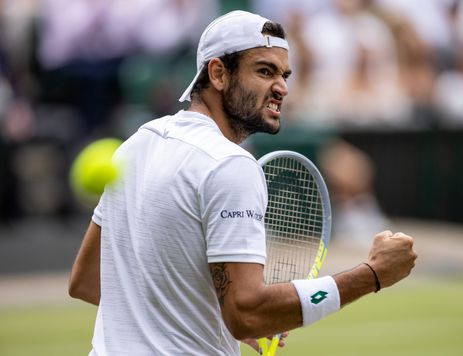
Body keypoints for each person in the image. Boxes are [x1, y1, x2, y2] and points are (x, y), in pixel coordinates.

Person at [68, 10, 417, 356]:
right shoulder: (230, 164)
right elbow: (247, 312)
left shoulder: (136, 144)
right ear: (218, 73)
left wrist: (209, 319)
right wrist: (373, 274)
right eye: (264, 71)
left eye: (284, 74)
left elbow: (85, 281)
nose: (281, 87)